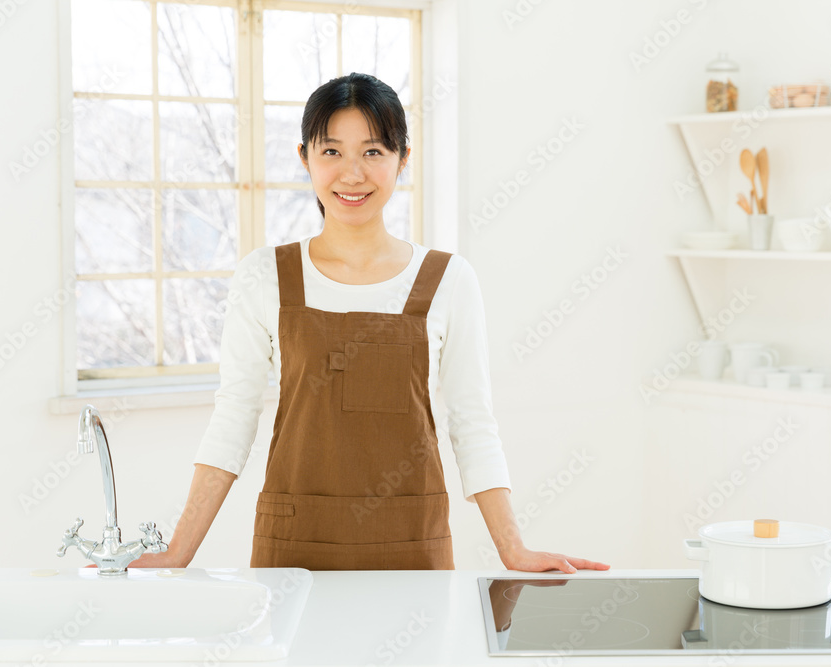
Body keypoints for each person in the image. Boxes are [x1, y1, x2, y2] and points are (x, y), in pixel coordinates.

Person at [130, 72, 609, 573]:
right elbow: (234, 418)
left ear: (403, 159)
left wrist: (514, 550)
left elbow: (473, 423)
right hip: (293, 545)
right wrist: (178, 552)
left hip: (409, 544)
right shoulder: (264, 276)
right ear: (305, 159)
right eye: (332, 152)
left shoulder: (447, 280)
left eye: (374, 152)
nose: (352, 174)